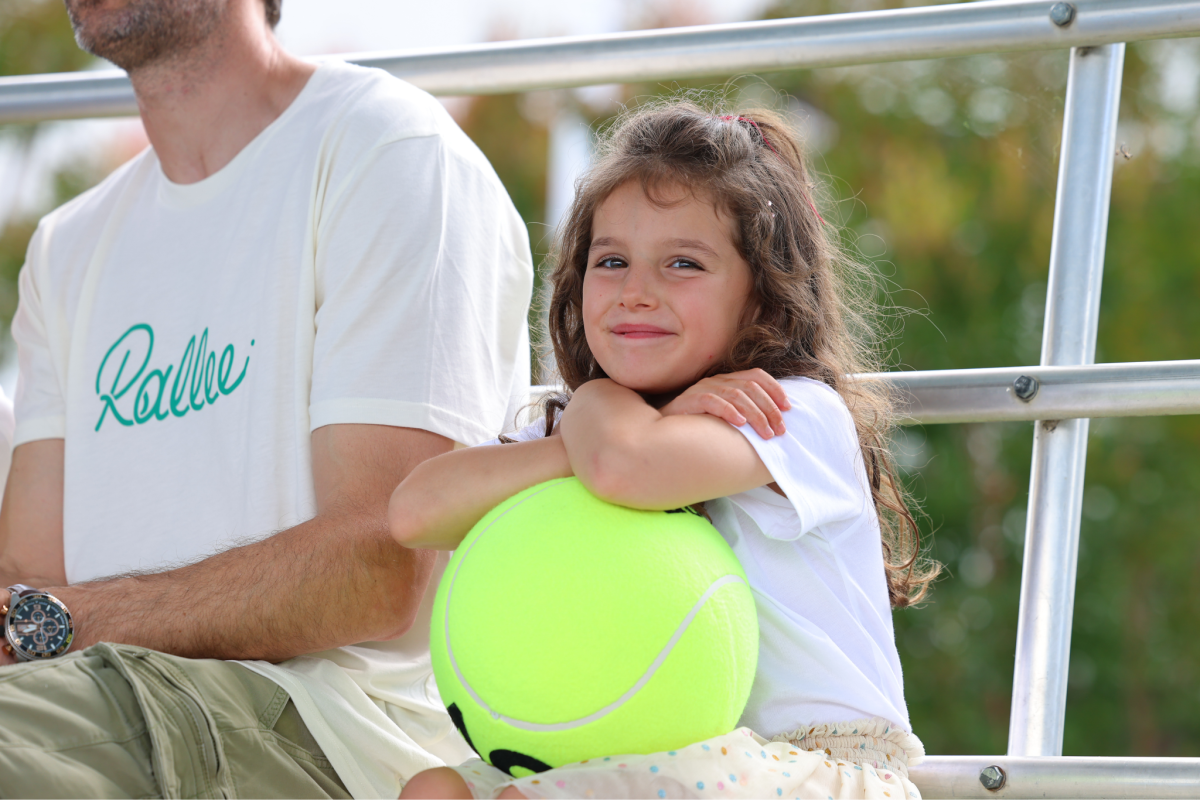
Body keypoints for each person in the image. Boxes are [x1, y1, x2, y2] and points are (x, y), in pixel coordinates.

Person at [0, 0, 532, 798]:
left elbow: (376, 569)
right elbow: (29, 577)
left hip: (328, 728)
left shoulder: (387, 148)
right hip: (98, 700)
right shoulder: (66, 248)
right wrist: (49, 620)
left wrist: (66, 620)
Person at [387, 100, 939, 800]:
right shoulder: (589, 436)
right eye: (611, 261)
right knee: (435, 790)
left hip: (814, 771)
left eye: (683, 263)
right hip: (648, 757)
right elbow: (414, 511)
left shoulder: (791, 414)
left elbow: (626, 468)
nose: (636, 293)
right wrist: (582, 439)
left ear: (764, 298)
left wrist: (598, 409)